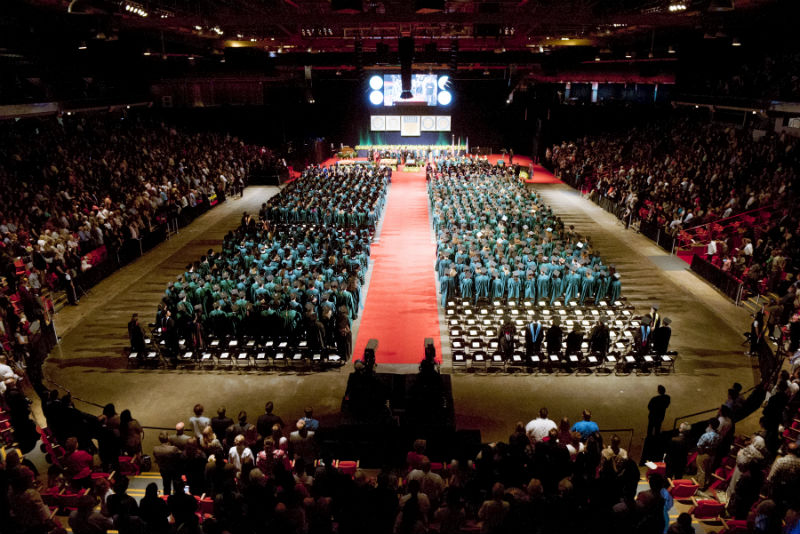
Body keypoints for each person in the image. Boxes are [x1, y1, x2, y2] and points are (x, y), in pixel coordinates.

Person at [695, 418, 721, 489]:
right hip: (712, 455)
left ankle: (700, 486)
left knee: (701, 470)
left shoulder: (706, 435)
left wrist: (701, 452)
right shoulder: (718, 436)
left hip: (703, 454)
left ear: (710, 425)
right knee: (707, 470)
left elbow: (699, 445)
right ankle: (705, 483)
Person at [153, 431, 181, 496]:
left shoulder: (155, 449)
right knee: (176, 486)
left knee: (166, 486)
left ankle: (166, 499)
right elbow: (181, 455)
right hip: (174, 470)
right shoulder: (173, 448)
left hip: (163, 470)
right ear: (168, 438)